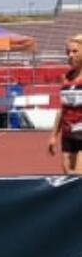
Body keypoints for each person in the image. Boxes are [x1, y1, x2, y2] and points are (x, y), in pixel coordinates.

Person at [49, 36, 82, 172]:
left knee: (78, 180)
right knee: (68, 176)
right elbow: (62, 109)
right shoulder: (66, 78)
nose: (70, 55)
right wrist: (53, 136)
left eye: (75, 51)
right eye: (68, 52)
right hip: (68, 135)